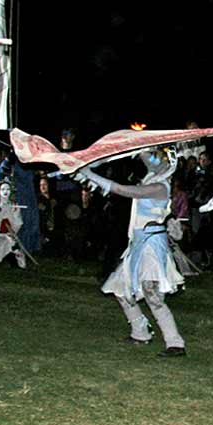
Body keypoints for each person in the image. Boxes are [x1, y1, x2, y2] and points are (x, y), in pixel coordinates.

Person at [76, 147, 188, 358]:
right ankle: (140, 331)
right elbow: (149, 159)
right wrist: (137, 146)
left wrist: (89, 174)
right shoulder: (155, 173)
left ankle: (175, 343)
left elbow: (123, 190)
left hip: (152, 245)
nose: (156, 161)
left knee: (152, 293)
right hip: (139, 243)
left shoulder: (159, 187)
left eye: (161, 159)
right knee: (120, 288)